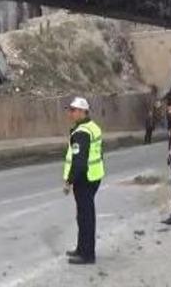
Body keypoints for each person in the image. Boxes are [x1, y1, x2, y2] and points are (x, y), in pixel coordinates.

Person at [62, 96, 105, 265]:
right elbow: (99, 153)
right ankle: (82, 248)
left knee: (85, 217)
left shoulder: (81, 133)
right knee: (84, 215)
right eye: (70, 110)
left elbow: (78, 162)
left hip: (85, 179)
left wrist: (69, 181)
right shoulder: (93, 127)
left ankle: (87, 254)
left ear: (82, 112)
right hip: (94, 176)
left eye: (73, 110)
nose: (70, 113)